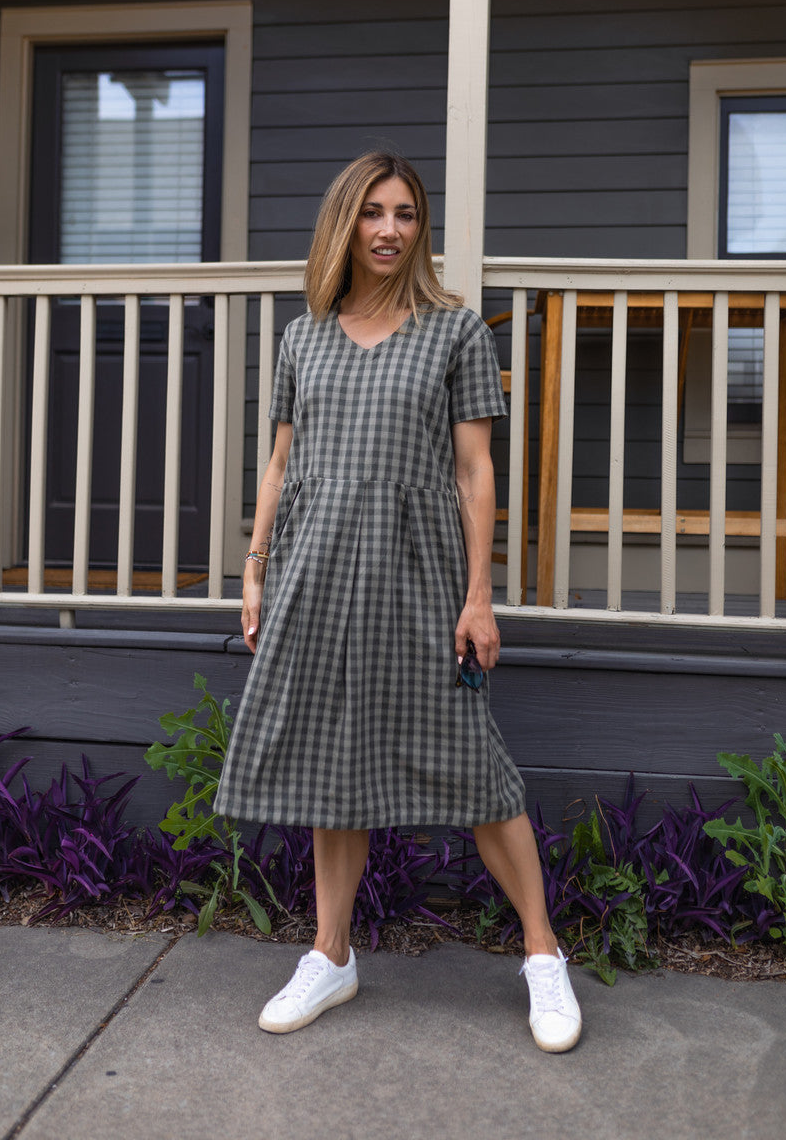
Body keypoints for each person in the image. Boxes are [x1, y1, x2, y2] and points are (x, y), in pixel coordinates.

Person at [215, 152, 582, 1053]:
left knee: (473, 764)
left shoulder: (454, 332)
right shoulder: (304, 336)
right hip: (313, 570)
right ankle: (330, 955)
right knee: (332, 764)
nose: (389, 230)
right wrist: (255, 567)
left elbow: (474, 470)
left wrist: (479, 598)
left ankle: (542, 955)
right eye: (373, 213)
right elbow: (280, 464)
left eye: (406, 214)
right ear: (345, 222)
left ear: (421, 228)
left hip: (417, 574)